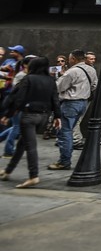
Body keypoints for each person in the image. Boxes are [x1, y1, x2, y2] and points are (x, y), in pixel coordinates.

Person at [0, 56, 61, 188]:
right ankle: (8, 170)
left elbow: (18, 98)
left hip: (29, 116)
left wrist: (8, 114)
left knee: (30, 147)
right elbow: (55, 99)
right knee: (23, 144)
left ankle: (33, 176)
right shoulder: (51, 80)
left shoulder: (28, 79)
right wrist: (57, 117)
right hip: (43, 117)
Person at [49, 49, 96, 170]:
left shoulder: (72, 72)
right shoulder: (91, 69)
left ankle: (64, 161)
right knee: (69, 130)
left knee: (65, 132)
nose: (69, 61)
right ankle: (65, 159)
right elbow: (94, 85)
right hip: (83, 103)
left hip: (70, 104)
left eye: (70, 58)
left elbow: (58, 87)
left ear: (74, 59)